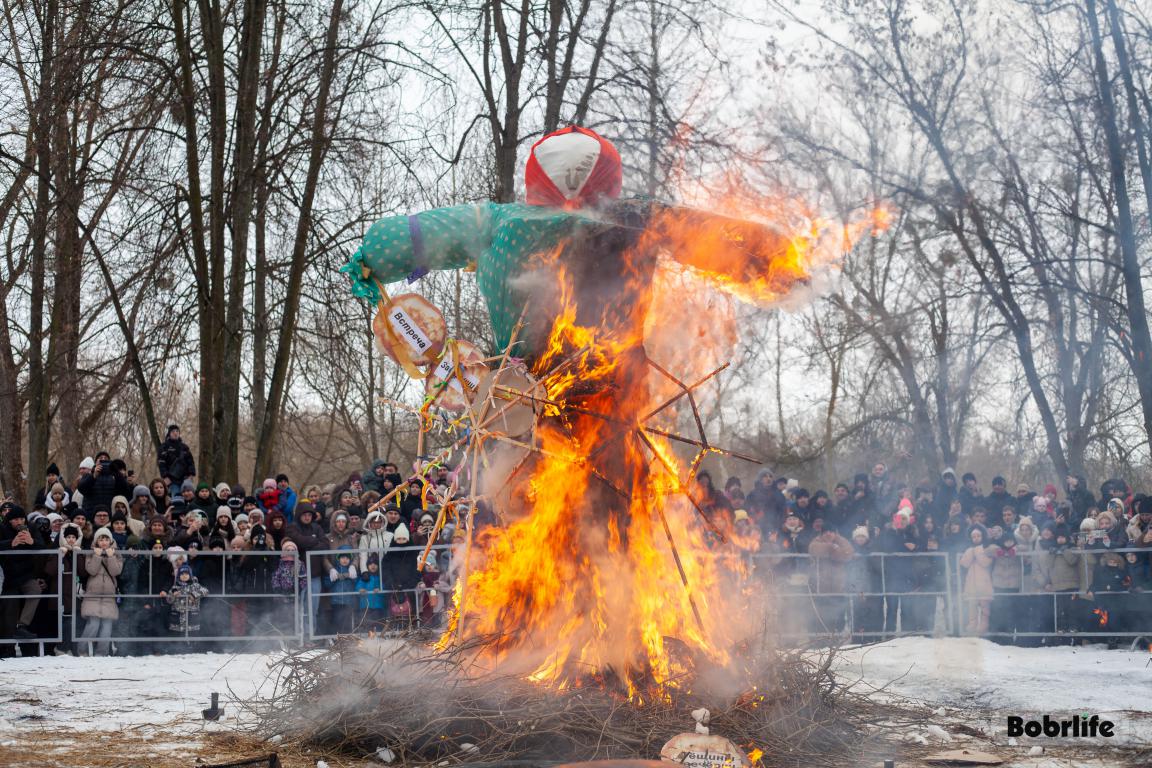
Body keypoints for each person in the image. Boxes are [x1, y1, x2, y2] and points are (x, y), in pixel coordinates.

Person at [0, 504, 48, 642]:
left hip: (26, 574)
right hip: (8, 577)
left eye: (22, 519)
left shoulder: (31, 528)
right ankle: (7, 645)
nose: (19, 522)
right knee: (10, 607)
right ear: (9, 520)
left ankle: (22, 626)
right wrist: (11, 543)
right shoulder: (2, 529)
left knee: (35, 590)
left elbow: (43, 546)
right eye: (15, 519)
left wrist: (31, 541)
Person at [79, 527, 123, 655]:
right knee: (93, 624)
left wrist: (110, 557)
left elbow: (116, 572)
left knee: (107, 626)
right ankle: (82, 650)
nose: (104, 542)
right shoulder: (90, 552)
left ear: (111, 540)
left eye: (106, 539)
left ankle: (102, 653)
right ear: (96, 541)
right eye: (101, 539)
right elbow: (91, 570)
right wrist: (97, 556)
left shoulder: (116, 553)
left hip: (109, 595)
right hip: (93, 594)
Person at [959, 525, 994, 635]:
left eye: (978, 536)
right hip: (971, 584)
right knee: (972, 607)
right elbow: (964, 563)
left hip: (984, 582)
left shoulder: (987, 549)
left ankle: (984, 625)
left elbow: (986, 562)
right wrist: (971, 551)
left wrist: (978, 551)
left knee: (985, 607)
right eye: (973, 536)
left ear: (982, 536)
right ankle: (972, 625)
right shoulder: (969, 549)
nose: (976, 538)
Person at [161, 564, 208, 638]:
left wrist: (194, 595)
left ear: (190, 575)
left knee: (192, 638)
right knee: (177, 640)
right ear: (179, 576)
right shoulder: (175, 587)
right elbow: (168, 600)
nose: (184, 576)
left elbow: (205, 591)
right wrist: (173, 595)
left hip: (192, 619)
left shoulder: (195, 585)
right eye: (182, 574)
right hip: (177, 620)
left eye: (186, 574)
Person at [157, 425, 196, 490]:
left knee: (189, 496)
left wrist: (191, 475)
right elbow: (161, 463)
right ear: (169, 434)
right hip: (172, 480)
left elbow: (190, 462)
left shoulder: (184, 447)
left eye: (177, 431)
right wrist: (165, 477)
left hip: (185, 479)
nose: (175, 433)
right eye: (173, 431)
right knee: (175, 497)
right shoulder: (164, 447)